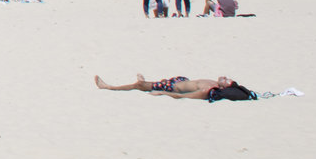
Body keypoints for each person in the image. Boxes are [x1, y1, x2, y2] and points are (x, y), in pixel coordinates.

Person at [94, 72, 251, 100]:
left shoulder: (207, 90)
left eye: (226, 80)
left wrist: (163, 93)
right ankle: (145, 82)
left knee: (140, 85)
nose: (224, 77)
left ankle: (109, 87)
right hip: (180, 80)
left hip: (173, 87)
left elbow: (183, 96)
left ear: (224, 87)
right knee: (143, 84)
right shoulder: (214, 83)